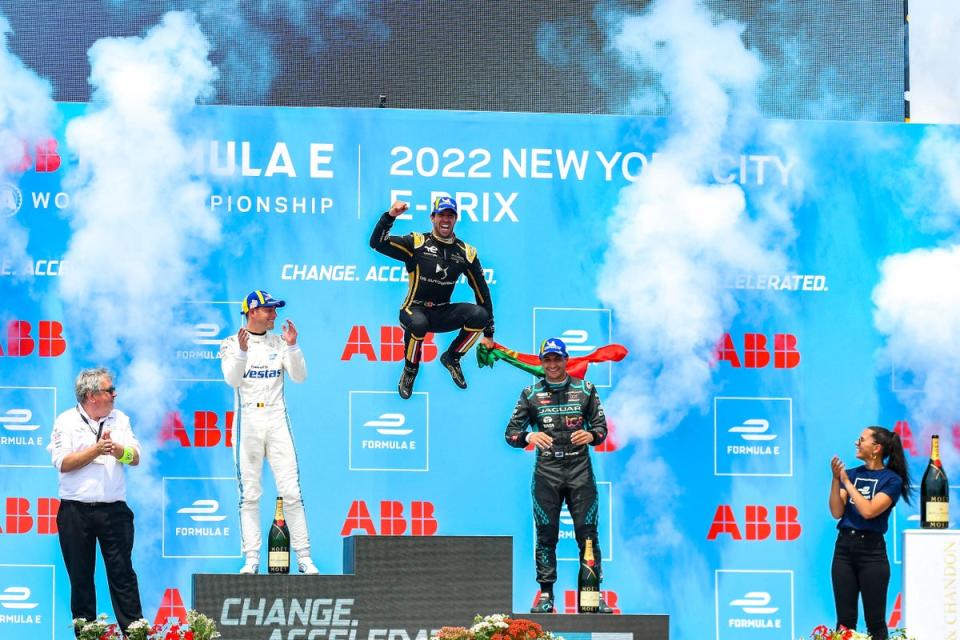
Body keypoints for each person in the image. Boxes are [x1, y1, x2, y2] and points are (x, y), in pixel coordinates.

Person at [504, 338, 613, 614]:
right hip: (547, 473)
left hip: (580, 472)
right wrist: (529, 435)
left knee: (587, 535)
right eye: (547, 360)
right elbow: (511, 434)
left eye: (557, 359)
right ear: (542, 362)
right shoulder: (530, 393)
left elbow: (601, 428)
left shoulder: (585, 389)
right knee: (546, 534)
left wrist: (590, 434)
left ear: (566, 360)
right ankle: (545, 595)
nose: (552, 365)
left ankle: (591, 597)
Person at [219, 290, 318, 575]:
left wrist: (294, 347)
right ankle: (251, 559)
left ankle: (304, 558)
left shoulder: (280, 342)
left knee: (291, 491)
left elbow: (300, 377)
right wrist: (241, 352)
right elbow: (232, 379)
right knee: (249, 494)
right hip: (248, 420)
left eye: (274, 310)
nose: (274, 315)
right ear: (252, 312)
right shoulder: (230, 344)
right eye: (269, 310)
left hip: (276, 419)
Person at [48, 367, 143, 635]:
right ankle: (87, 634)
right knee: (80, 579)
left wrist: (119, 451)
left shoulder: (120, 419)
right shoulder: (65, 421)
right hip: (75, 512)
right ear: (91, 395)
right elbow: (63, 463)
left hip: (114, 511)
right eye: (109, 390)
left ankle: (135, 634)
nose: (115, 394)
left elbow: (135, 458)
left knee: (123, 576)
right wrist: (96, 450)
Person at [369, 196, 495, 399]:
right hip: (413, 310)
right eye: (441, 215)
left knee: (480, 315)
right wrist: (390, 216)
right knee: (418, 324)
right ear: (432, 217)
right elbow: (377, 243)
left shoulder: (466, 252)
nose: (445, 219)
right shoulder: (417, 242)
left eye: (450, 215)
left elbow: (482, 291)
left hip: (441, 312)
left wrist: (489, 333)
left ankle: (452, 357)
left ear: (455, 219)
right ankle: (410, 370)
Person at [828, 425, 912, 640]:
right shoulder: (853, 474)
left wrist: (847, 482)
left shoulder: (892, 480)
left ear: (876, 448)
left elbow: (869, 511)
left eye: (862, 439)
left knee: (875, 622)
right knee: (844, 622)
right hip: (844, 549)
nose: (857, 442)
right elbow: (837, 511)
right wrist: (836, 479)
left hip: (872, 553)